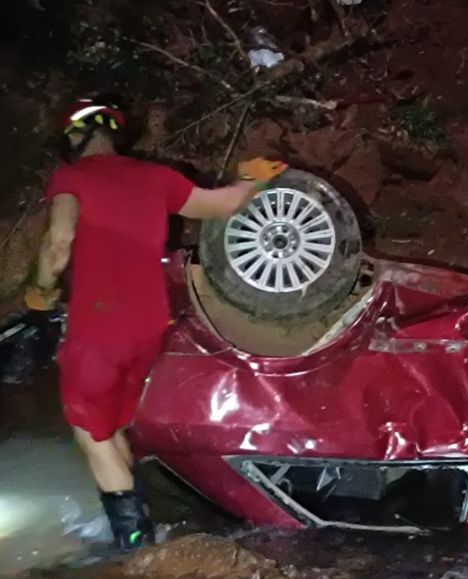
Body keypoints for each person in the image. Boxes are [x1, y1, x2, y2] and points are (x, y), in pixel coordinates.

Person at [24, 96, 288, 550]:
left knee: (91, 434)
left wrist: (39, 295)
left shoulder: (72, 177)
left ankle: (134, 544)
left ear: (73, 138)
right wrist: (251, 179)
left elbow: (59, 242)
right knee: (114, 425)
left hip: (99, 324)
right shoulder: (155, 176)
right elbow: (220, 204)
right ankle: (142, 518)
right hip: (150, 325)